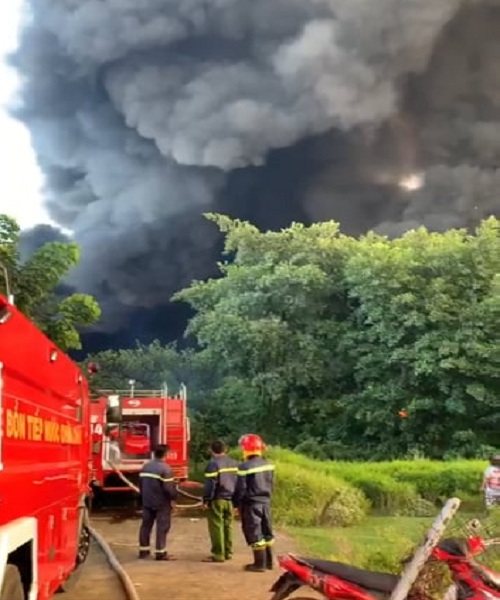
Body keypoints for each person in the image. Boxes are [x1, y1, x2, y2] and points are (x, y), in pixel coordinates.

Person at [234, 433, 275, 573]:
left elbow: (241, 489)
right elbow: (271, 484)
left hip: (251, 504)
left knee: (254, 532)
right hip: (266, 502)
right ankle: (269, 562)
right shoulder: (269, 465)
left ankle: (259, 564)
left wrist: (236, 505)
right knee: (266, 531)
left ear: (246, 449)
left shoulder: (244, 467)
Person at [138, 444, 177, 561]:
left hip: (147, 501)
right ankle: (160, 553)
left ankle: (143, 551)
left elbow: (140, 484)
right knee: (162, 527)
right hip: (161, 503)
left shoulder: (145, 467)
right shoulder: (166, 469)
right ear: (166, 454)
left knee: (145, 526)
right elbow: (168, 488)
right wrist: (173, 499)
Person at [202, 440, 239, 562]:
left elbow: (210, 485)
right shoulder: (235, 464)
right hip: (231, 500)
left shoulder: (213, 464)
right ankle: (228, 552)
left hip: (217, 499)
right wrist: (237, 502)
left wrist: (206, 500)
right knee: (228, 526)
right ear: (226, 449)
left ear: (211, 450)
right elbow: (239, 484)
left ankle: (218, 554)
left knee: (216, 526)